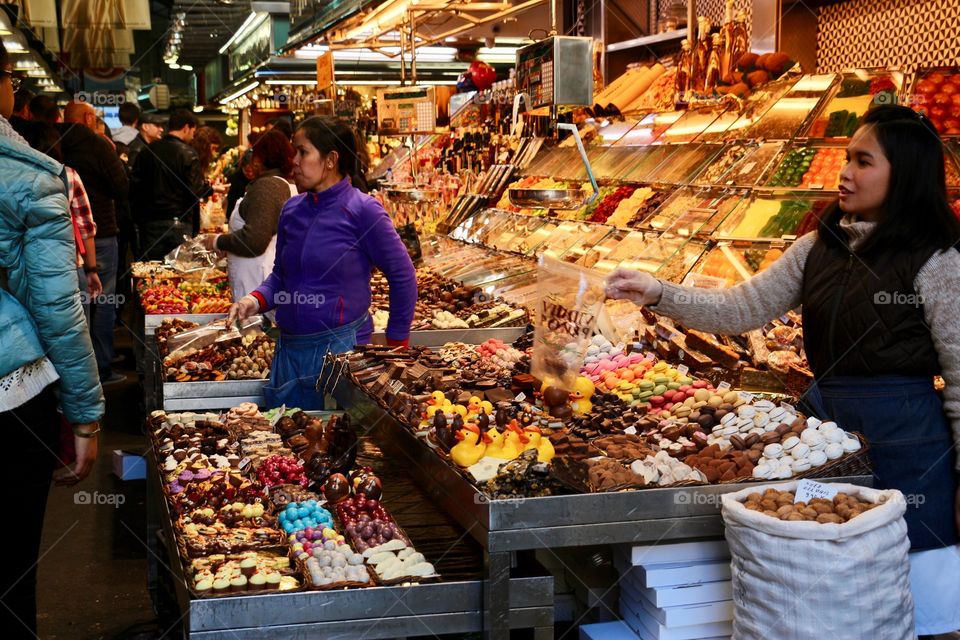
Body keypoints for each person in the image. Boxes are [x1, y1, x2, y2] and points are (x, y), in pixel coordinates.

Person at [605, 105, 960, 639]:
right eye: (846, 158)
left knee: (917, 603)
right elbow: (740, 309)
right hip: (824, 436)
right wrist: (658, 293)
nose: (844, 173)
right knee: (820, 591)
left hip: (909, 441)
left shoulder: (937, 260)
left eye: (863, 161)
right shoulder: (819, 246)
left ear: (904, 174)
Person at [0, 41, 104, 637]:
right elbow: (58, 308)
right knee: (12, 566)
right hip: (11, 397)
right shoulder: (32, 177)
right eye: (10, 75)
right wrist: (86, 416)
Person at [227, 116, 417, 409]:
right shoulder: (291, 210)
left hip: (343, 355)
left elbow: (403, 276)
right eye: (294, 152)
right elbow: (281, 276)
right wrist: (253, 300)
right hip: (290, 353)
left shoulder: (364, 211)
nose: (294, 161)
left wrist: (396, 347)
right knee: (285, 450)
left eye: (303, 152)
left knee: (337, 447)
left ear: (330, 160)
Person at [61, 100, 129, 385]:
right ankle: (101, 367)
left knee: (74, 305)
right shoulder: (99, 145)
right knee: (103, 300)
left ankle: (78, 373)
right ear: (89, 118)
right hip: (98, 233)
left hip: (64, 237)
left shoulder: (55, 143)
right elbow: (122, 187)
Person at [199, 130, 297, 303]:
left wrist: (217, 241)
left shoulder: (267, 187)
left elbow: (255, 240)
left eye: (254, 154)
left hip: (257, 284)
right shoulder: (282, 183)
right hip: (261, 282)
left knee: (254, 329)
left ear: (260, 159)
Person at [20, 120, 102, 320]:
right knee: (78, 335)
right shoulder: (69, 175)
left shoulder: (14, 177)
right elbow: (85, 228)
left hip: (26, 270)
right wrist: (91, 270)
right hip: (69, 268)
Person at [131, 109, 223, 260]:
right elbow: (195, 191)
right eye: (193, 131)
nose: (193, 135)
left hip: (150, 224)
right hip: (179, 223)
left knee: (151, 273)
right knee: (179, 272)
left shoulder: (146, 151)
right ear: (186, 128)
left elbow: (134, 188)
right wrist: (210, 189)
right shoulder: (188, 153)